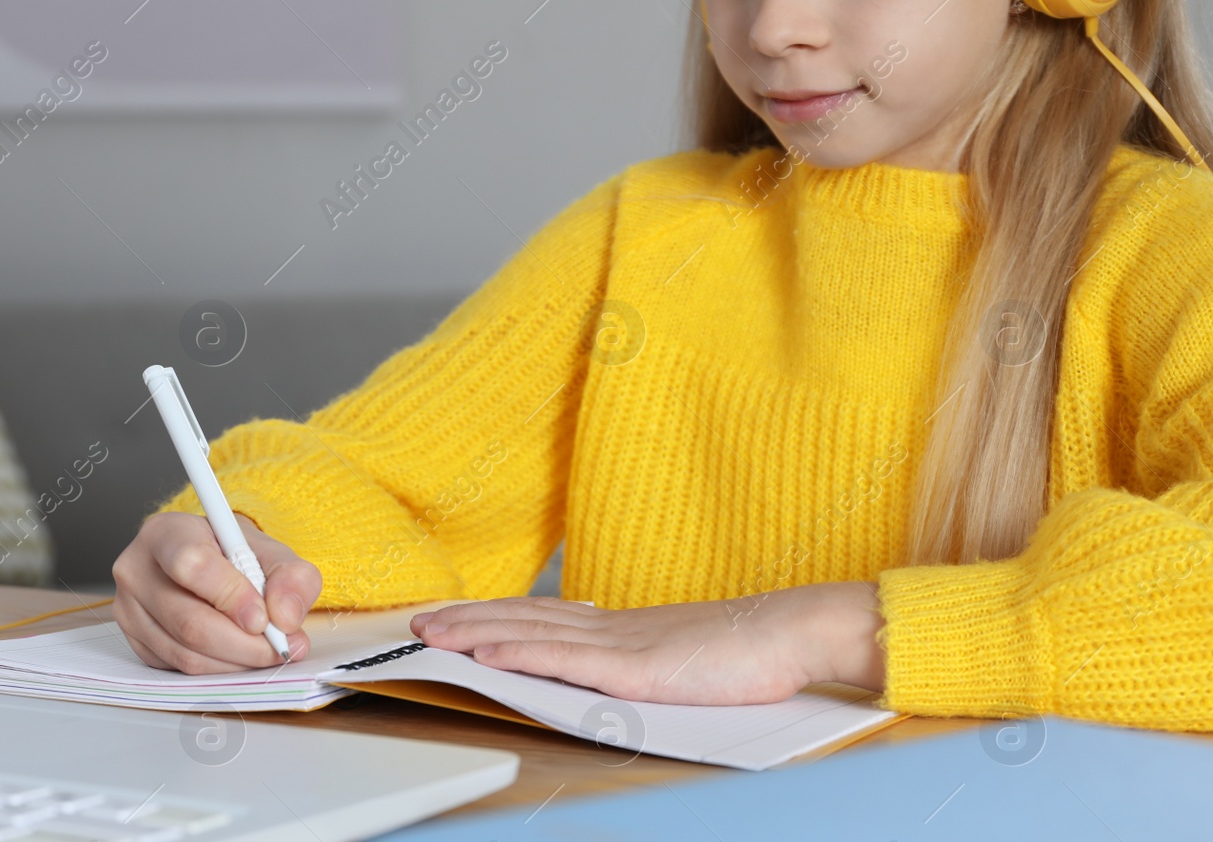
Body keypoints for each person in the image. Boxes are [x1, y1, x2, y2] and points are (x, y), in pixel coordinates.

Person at [112, 0, 1213, 729]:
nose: (773, 27)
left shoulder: (1166, 252)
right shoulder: (644, 231)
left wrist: (819, 627)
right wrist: (242, 545)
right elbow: (385, 480)